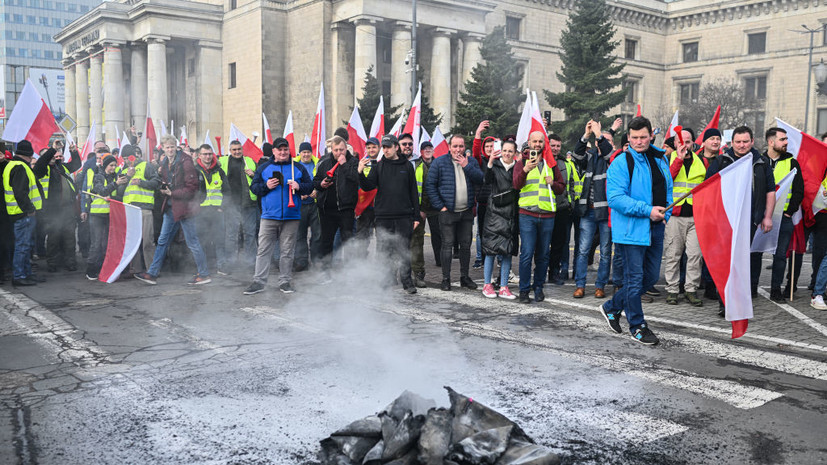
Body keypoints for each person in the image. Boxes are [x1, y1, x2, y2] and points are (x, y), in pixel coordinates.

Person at [601, 116, 674, 345]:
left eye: (643, 137)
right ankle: (637, 325)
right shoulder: (621, 162)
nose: (639, 141)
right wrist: (647, 211)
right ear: (629, 138)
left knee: (650, 277)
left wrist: (665, 215)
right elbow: (615, 198)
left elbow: (668, 190)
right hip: (631, 230)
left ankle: (611, 307)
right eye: (634, 137)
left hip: (655, 228)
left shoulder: (660, 160)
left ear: (651, 135)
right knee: (635, 280)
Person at [706, 126, 775, 305]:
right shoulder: (721, 161)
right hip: (727, 221)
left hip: (753, 221)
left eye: (745, 141)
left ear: (752, 141)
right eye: (738, 142)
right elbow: (709, 189)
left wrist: (767, 217)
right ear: (731, 143)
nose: (742, 145)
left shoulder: (761, 163)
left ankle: (746, 296)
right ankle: (725, 302)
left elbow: (770, 191)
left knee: (749, 260)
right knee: (728, 261)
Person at [135, 135, 211, 285]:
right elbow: (166, 180)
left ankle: (204, 274)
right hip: (171, 207)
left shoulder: (186, 162)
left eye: (172, 147)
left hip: (184, 208)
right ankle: (152, 273)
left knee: (192, 242)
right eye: (167, 147)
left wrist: (172, 193)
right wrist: (165, 187)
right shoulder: (165, 161)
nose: (170, 150)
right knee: (163, 241)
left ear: (176, 147)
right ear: (163, 148)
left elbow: (192, 188)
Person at [243, 138, 313, 295]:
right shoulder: (263, 168)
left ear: (289, 150)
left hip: (291, 217)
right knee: (263, 250)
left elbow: (310, 186)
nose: (283, 152)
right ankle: (259, 282)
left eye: (285, 149)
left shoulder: (299, 167)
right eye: (279, 150)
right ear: (273, 151)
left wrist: (299, 186)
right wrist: (265, 186)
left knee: (287, 251)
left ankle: (285, 281)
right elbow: (254, 188)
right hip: (269, 216)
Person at [358, 134, 420, 293]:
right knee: (383, 250)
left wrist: (416, 216)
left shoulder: (407, 166)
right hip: (384, 216)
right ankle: (384, 280)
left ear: (396, 147)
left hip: (404, 216)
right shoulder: (379, 166)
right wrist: (360, 173)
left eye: (388, 147)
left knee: (404, 249)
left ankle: (407, 282)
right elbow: (367, 186)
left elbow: (413, 192)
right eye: (383, 147)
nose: (385, 150)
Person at [424, 134, 484, 291]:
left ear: (464, 147)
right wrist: (440, 206)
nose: (458, 149)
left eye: (461, 146)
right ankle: (446, 278)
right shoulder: (439, 163)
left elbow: (480, 179)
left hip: (466, 211)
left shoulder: (470, 162)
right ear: (449, 147)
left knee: (465, 246)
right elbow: (430, 185)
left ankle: (465, 277)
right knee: (447, 245)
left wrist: (466, 166)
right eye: (455, 146)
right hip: (447, 212)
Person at [512, 131, 566, 303]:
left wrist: (553, 183)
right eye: (534, 141)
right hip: (527, 214)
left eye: (540, 141)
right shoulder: (522, 162)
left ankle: (538, 287)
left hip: (547, 215)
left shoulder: (551, 164)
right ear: (529, 142)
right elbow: (516, 185)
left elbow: (561, 188)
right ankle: (523, 290)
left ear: (545, 143)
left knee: (543, 255)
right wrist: (526, 170)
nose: (537, 144)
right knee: (527, 254)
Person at [572, 119, 622, 298]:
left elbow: (609, 153)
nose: (603, 142)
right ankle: (580, 285)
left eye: (608, 140)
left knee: (606, 251)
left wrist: (601, 134)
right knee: (583, 250)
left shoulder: (614, 159)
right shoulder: (591, 156)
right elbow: (577, 156)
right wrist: (586, 134)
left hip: (606, 212)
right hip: (588, 211)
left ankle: (600, 286)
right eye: (601, 140)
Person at [662, 128, 710, 307]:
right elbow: (667, 180)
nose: (685, 145)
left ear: (693, 143)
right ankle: (673, 290)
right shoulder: (667, 159)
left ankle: (691, 289)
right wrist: (679, 160)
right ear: (675, 143)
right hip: (675, 216)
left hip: (696, 216)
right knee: (673, 255)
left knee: (695, 255)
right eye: (681, 142)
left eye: (688, 142)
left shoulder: (702, 161)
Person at [760, 127, 803, 302]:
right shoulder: (759, 161)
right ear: (771, 142)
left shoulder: (792, 162)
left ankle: (775, 289)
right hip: (761, 217)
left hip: (784, 218)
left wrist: (789, 212)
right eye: (782, 139)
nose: (786, 142)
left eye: (786, 139)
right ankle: (752, 287)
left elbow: (799, 190)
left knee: (780, 256)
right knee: (754, 253)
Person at [32, 140, 81, 272]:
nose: (54, 158)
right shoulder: (42, 169)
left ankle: (70, 262)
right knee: (53, 238)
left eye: (55, 156)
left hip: (67, 209)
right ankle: (52, 263)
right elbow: (42, 162)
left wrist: (73, 151)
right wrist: (52, 149)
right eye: (51, 156)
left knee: (69, 237)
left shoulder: (61, 167)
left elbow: (76, 164)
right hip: (52, 210)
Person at [314, 135, 359, 275]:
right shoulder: (324, 162)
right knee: (326, 241)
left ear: (346, 149)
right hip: (327, 209)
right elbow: (315, 181)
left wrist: (344, 164)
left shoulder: (353, 162)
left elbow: (356, 179)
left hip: (346, 209)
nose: (339, 153)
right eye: (336, 150)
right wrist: (321, 185)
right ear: (331, 150)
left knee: (348, 240)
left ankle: (350, 271)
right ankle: (325, 271)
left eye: (341, 149)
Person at [481, 139, 519, 299]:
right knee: (490, 250)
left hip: (510, 214)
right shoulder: (494, 166)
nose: (507, 154)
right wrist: (490, 162)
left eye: (510, 151)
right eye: (505, 150)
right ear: (501, 151)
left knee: (507, 251)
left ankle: (504, 286)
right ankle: (487, 285)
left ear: (515, 153)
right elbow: (487, 179)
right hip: (494, 213)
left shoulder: (517, 168)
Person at [5, 140, 45, 286]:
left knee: (25, 245)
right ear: (27, 156)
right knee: (22, 246)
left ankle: (26, 274)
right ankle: (19, 276)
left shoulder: (13, 165)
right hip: (23, 214)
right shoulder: (20, 167)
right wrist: (30, 209)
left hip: (18, 212)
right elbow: (20, 192)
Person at [118, 144, 160, 274]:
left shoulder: (146, 166)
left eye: (128, 158)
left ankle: (152, 270)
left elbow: (156, 183)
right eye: (124, 158)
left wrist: (141, 183)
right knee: (133, 243)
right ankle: (136, 269)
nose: (126, 161)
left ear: (134, 155)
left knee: (147, 241)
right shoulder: (123, 171)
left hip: (144, 209)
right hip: (130, 210)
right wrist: (129, 177)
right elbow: (119, 192)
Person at [220, 140, 259, 272]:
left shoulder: (250, 161)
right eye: (234, 150)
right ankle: (230, 263)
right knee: (231, 235)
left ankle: (250, 263)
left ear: (242, 150)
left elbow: (260, 179)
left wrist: (254, 175)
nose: (237, 152)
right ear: (230, 151)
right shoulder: (223, 162)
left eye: (239, 149)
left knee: (250, 234)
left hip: (249, 204)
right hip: (231, 205)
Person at [548, 133, 580, 285]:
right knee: (542, 244)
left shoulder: (565, 163)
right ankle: (541, 271)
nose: (555, 148)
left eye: (558, 146)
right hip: (544, 209)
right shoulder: (542, 161)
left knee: (558, 244)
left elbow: (572, 185)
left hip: (561, 209)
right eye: (552, 145)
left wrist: (570, 203)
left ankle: (554, 273)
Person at [86, 155, 124, 280]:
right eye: (111, 165)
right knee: (96, 243)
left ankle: (104, 268)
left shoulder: (116, 177)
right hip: (97, 214)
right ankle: (91, 270)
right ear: (105, 166)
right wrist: (116, 183)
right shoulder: (98, 176)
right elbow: (102, 191)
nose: (113, 168)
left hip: (110, 214)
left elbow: (119, 196)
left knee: (108, 243)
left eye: (115, 165)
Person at [194, 144, 230, 274]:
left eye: (210, 154)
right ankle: (203, 268)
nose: (208, 156)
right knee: (202, 239)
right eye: (205, 154)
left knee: (220, 239)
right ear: (199, 155)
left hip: (216, 211)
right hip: (200, 211)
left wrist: (222, 207)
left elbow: (227, 191)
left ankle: (221, 266)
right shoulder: (194, 170)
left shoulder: (219, 171)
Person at [411, 139, 442, 288]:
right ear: (421, 151)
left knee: (439, 236)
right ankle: (418, 272)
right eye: (425, 149)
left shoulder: (438, 164)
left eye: (430, 148)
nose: (428, 150)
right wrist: (419, 209)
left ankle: (440, 262)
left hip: (436, 208)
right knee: (418, 240)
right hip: (421, 209)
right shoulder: (416, 165)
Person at [293, 141, 321, 271]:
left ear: (311, 153)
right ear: (300, 153)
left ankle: (316, 260)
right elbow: (290, 183)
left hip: (315, 205)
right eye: (304, 152)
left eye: (308, 152)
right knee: (300, 234)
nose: (306, 155)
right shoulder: (294, 166)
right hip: (300, 205)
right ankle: (302, 261)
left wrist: (318, 191)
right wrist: (299, 193)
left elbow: (322, 180)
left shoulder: (318, 164)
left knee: (317, 234)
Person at [472, 121, 496, 269]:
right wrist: (478, 134)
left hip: (497, 204)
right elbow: (475, 152)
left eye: (491, 146)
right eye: (486, 146)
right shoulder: (480, 161)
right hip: (483, 203)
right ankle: (482, 258)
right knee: (482, 233)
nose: (489, 148)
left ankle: (496, 258)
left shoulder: (499, 162)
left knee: (497, 232)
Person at [355, 137, 380, 245]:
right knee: (362, 237)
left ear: (379, 148)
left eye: (374, 147)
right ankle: (361, 260)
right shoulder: (362, 163)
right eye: (369, 148)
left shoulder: (383, 162)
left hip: (380, 206)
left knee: (382, 236)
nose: (371, 150)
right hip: (364, 207)